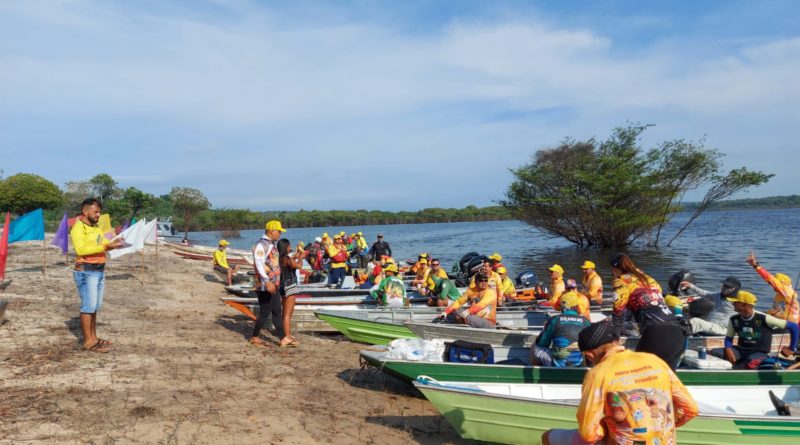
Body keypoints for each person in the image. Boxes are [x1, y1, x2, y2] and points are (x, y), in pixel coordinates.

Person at [542, 321, 698, 445]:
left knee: (548, 437)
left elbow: (588, 434)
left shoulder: (598, 374)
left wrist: (610, 428)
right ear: (617, 342)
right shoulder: (655, 361)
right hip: (663, 440)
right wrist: (659, 426)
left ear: (589, 355)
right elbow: (691, 409)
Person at [609, 253, 688, 369]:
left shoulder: (621, 281)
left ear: (614, 269)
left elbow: (618, 314)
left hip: (657, 333)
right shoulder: (648, 278)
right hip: (678, 332)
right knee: (666, 382)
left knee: (639, 376)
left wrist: (614, 342)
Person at [70, 198, 124, 353]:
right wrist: (106, 246)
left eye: (99, 212)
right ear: (85, 211)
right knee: (88, 306)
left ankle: (94, 337)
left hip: (99, 270)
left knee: (94, 306)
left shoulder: (96, 227)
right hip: (86, 271)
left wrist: (115, 241)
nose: (98, 215)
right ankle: (88, 342)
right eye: (96, 212)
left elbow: (104, 242)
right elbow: (81, 249)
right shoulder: (78, 228)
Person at [710, 290, 798, 368]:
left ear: (744, 305)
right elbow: (729, 338)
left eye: (735, 302)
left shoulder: (765, 318)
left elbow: (794, 327)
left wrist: (791, 348)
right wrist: (728, 349)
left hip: (760, 352)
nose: (733, 304)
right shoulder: (734, 319)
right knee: (714, 353)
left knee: (750, 361)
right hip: (741, 350)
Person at [530, 292, 591, 367]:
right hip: (578, 363)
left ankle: (539, 375)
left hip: (557, 365)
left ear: (562, 305)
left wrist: (544, 329)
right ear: (576, 305)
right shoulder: (586, 321)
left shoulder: (554, 320)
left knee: (534, 347)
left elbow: (542, 344)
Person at [250, 220, 286, 347]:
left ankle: (283, 338)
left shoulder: (271, 244)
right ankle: (254, 337)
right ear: (272, 231)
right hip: (265, 285)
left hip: (272, 284)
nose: (280, 234)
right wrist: (266, 281)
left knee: (276, 310)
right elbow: (259, 263)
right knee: (265, 312)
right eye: (279, 231)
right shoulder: (261, 245)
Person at [747, 251, 799, 324]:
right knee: (757, 314)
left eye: (776, 282)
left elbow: (770, 279)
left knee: (756, 317)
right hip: (784, 318)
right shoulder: (782, 293)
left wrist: (756, 266)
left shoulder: (786, 291)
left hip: (788, 322)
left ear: (781, 283)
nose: (771, 284)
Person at [277, 239, 308, 347]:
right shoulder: (286, 258)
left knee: (285, 312)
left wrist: (296, 255)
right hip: (289, 286)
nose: (290, 247)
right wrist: (300, 258)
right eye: (289, 246)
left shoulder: (282, 258)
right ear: (286, 246)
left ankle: (286, 335)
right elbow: (298, 266)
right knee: (288, 313)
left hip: (283, 285)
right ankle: (286, 337)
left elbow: (291, 261)